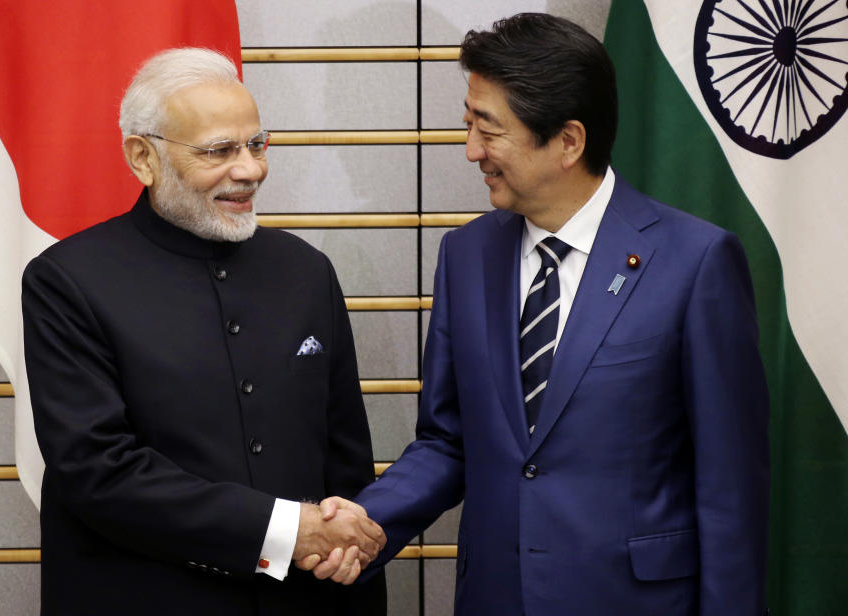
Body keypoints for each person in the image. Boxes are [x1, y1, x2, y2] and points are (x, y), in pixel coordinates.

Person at [309, 12, 770, 615]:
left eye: (489, 129)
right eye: (468, 123)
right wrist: (367, 520)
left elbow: (730, 486)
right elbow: (448, 442)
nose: (471, 149)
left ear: (568, 141)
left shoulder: (696, 262)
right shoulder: (466, 254)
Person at [21, 47, 386, 615]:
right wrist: (288, 530)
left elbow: (345, 460)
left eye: (257, 144)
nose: (250, 170)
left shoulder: (306, 271)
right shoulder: (67, 280)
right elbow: (98, 472)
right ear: (143, 157)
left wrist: (344, 549)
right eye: (219, 151)